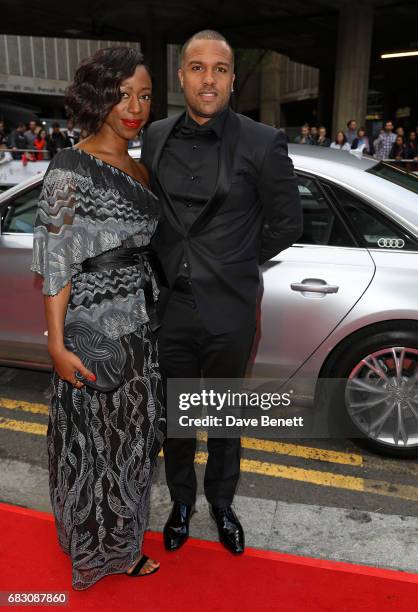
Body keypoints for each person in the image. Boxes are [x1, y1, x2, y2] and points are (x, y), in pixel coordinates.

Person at [141, 30, 302, 556]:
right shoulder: (158, 134)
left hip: (230, 309)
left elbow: (286, 224)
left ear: (232, 79)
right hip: (172, 305)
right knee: (179, 416)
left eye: (219, 69)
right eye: (197, 67)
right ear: (182, 75)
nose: (208, 78)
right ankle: (181, 503)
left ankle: (222, 503)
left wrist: (234, 263)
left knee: (225, 416)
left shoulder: (262, 141)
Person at [30, 46, 165, 590]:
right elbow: (56, 262)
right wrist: (57, 346)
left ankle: (124, 542)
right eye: (122, 94)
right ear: (98, 98)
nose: (134, 106)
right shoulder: (69, 168)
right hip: (91, 329)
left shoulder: (140, 166)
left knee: (134, 442)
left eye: (145, 95)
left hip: (141, 326)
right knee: (91, 444)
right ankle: (95, 548)